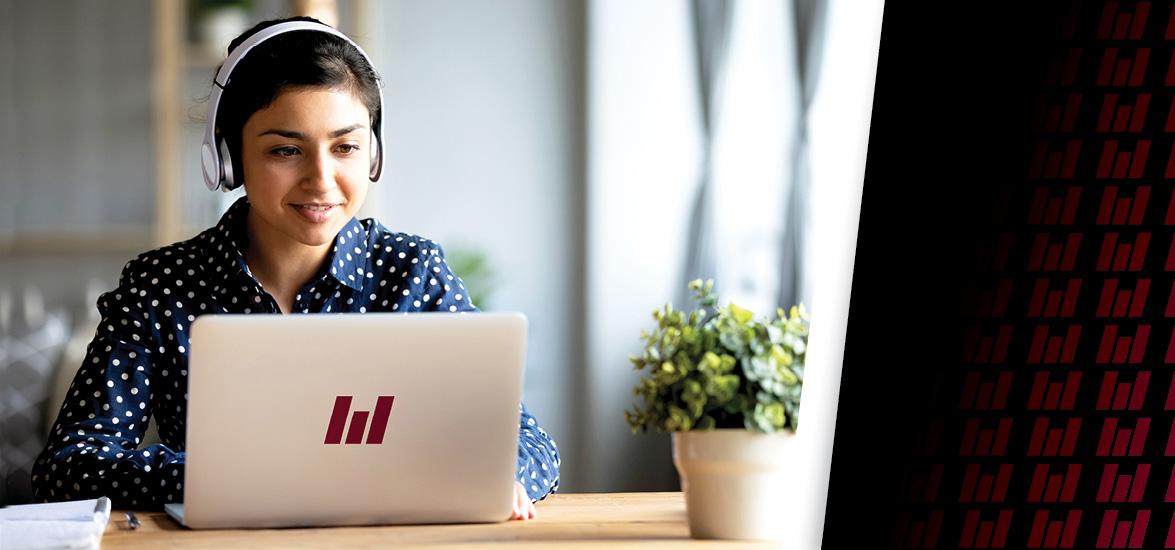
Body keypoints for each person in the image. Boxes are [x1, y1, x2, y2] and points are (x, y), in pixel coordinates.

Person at [30, 16, 559, 521]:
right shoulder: (160, 285)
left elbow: (531, 444)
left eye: (346, 146)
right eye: (286, 150)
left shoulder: (413, 272)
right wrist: (227, 478)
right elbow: (68, 467)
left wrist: (495, 473)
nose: (322, 180)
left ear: (373, 154)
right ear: (228, 157)